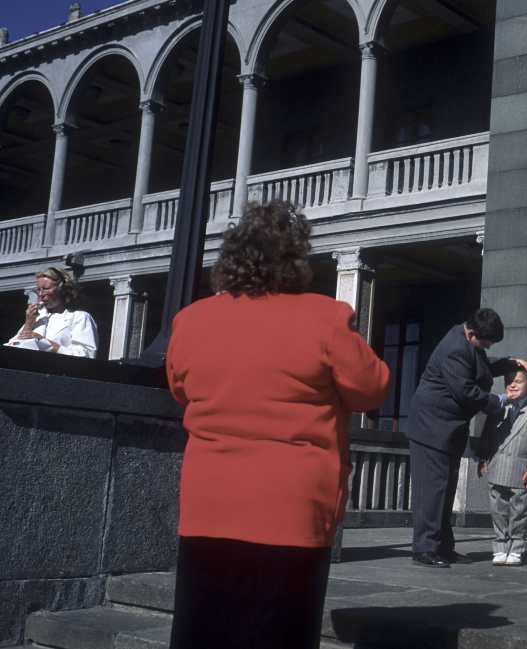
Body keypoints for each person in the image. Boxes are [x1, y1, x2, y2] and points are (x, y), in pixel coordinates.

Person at [165, 201, 390, 649]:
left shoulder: (191, 320)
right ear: (295, 261)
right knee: (279, 630)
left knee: (204, 629)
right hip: (291, 505)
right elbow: (373, 388)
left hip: (210, 501)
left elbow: (179, 388)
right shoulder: (324, 317)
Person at [405, 308, 527, 567]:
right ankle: (424, 549)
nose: (487, 347)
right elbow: (466, 392)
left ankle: (443, 547)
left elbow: (482, 367)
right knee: (432, 491)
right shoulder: (455, 349)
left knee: (445, 490)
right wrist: (500, 399)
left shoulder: (467, 342)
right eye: (486, 343)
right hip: (431, 428)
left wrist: (512, 363)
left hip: (447, 429)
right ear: (472, 333)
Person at [476, 366, 527, 566]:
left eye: (518, 381)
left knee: (519, 512)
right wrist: (483, 458)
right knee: (497, 511)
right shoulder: (498, 407)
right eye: (509, 380)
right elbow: (488, 435)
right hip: (498, 465)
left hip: (521, 468)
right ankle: (500, 547)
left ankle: (516, 547)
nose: (513, 384)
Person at [5, 266, 97, 358]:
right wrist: (28, 323)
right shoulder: (38, 316)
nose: (41, 294)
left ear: (62, 289)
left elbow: (86, 355)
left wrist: (45, 343)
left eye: (46, 288)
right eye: (38, 289)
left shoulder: (79, 317)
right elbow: (12, 347)